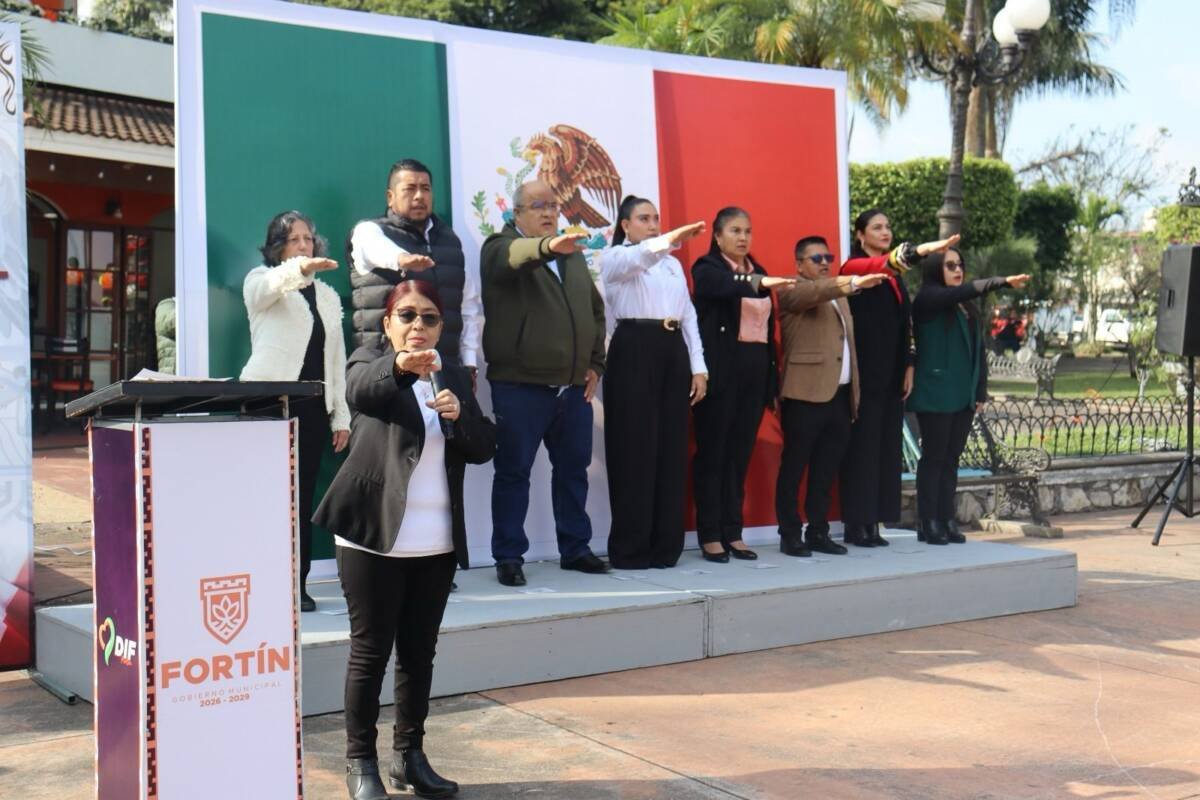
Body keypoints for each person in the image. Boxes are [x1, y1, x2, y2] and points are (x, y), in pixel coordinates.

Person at [314, 280, 495, 800]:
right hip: (374, 537)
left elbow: (484, 446)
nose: (419, 325)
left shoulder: (452, 374)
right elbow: (361, 392)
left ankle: (409, 757)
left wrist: (461, 418)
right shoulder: (368, 362)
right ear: (388, 323)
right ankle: (360, 762)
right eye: (408, 315)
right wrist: (400, 367)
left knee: (419, 654)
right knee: (370, 653)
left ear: (441, 327)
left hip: (435, 542)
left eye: (429, 317)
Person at [480, 179, 609, 586]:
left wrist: (595, 363)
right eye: (538, 206)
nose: (549, 212)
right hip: (521, 387)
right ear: (516, 213)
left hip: (572, 388)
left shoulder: (572, 256)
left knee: (573, 471)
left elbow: (595, 311)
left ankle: (575, 548)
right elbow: (517, 255)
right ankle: (508, 556)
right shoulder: (500, 247)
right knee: (513, 472)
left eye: (553, 205)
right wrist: (549, 246)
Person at [240, 210, 350, 612]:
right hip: (267, 405)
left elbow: (335, 361)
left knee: (299, 502)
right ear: (278, 247)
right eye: (294, 239)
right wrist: (298, 270)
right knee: (265, 499)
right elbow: (262, 292)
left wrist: (340, 416)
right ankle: (256, 579)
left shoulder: (327, 296)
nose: (304, 245)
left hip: (312, 410)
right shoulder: (262, 280)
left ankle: (295, 585)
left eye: (308, 238)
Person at [837, 209, 958, 548]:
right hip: (865, 374)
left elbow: (907, 324)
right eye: (877, 227)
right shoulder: (854, 267)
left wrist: (909, 365)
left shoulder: (895, 280)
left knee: (886, 449)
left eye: (888, 226)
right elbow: (888, 263)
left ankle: (875, 521)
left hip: (891, 374)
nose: (885, 232)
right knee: (863, 449)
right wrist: (924, 250)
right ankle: (857, 524)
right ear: (860, 234)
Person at [600, 196, 708, 569]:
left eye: (656, 218)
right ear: (625, 225)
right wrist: (672, 238)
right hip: (633, 348)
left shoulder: (673, 265)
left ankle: (666, 548)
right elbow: (640, 257)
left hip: (672, 351)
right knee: (634, 450)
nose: (652, 224)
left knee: (670, 449)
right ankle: (631, 550)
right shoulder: (616, 258)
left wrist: (698, 367)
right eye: (643, 218)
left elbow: (688, 315)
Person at [691, 207, 794, 563]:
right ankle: (710, 534)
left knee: (738, 457)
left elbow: (767, 335)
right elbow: (721, 287)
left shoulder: (758, 271)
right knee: (713, 455)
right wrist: (757, 283)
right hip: (721, 376)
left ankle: (733, 532)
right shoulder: (707, 268)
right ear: (717, 236)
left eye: (747, 231)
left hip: (754, 376)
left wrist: (770, 384)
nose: (743, 237)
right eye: (735, 231)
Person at [775, 236, 886, 557]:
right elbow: (815, 293)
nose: (824, 263)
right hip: (804, 395)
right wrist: (852, 282)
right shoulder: (791, 289)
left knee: (825, 471)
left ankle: (818, 531)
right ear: (799, 265)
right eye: (816, 258)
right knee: (794, 468)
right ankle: (789, 533)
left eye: (828, 257)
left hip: (840, 397)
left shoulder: (840, 296)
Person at [910, 249, 1029, 544]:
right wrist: (1001, 281)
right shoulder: (928, 299)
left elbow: (978, 351)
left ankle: (946, 517)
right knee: (934, 457)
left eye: (960, 265)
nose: (958, 270)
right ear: (935, 269)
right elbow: (961, 291)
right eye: (950, 265)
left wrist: (979, 391)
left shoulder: (965, 306)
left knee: (951, 458)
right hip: (936, 393)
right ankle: (928, 520)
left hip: (963, 393)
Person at [348, 158, 480, 371]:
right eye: (410, 189)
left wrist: (470, 362)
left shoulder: (450, 241)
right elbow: (376, 246)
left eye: (425, 189)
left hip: (441, 369)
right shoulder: (370, 230)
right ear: (390, 197)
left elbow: (467, 306)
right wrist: (401, 258)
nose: (419, 196)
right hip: (386, 369)